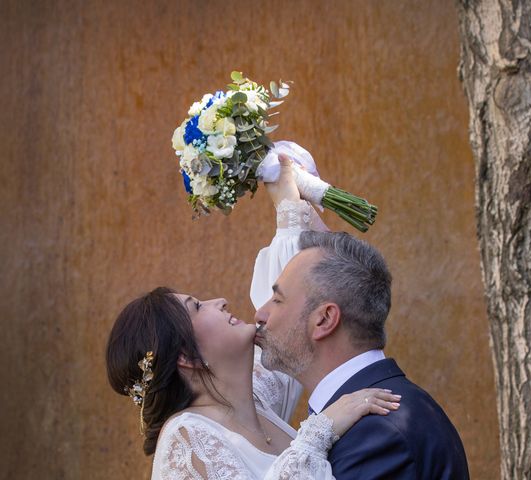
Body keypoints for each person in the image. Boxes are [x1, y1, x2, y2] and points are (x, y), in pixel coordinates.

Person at [105, 155, 402, 479]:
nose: (219, 301)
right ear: (186, 356)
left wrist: (287, 201)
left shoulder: (255, 399)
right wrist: (321, 430)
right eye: (197, 307)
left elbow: (288, 315)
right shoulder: (186, 437)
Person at [254, 185, 471, 478]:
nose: (261, 314)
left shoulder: (379, 433)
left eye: (277, 299)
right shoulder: (354, 417)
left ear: (324, 320)